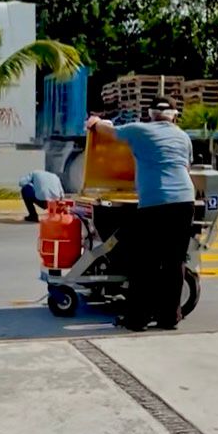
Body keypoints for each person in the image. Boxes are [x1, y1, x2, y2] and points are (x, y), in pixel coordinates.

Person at [88, 95, 194, 332]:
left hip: (155, 202)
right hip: (184, 200)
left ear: (150, 114)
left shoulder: (139, 130)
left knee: (146, 261)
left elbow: (108, 130)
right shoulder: (183, 136)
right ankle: (170, 318)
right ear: (174, 116)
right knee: (174, 261)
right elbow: (186, 168)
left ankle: (138, 319)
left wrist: (95, 121)